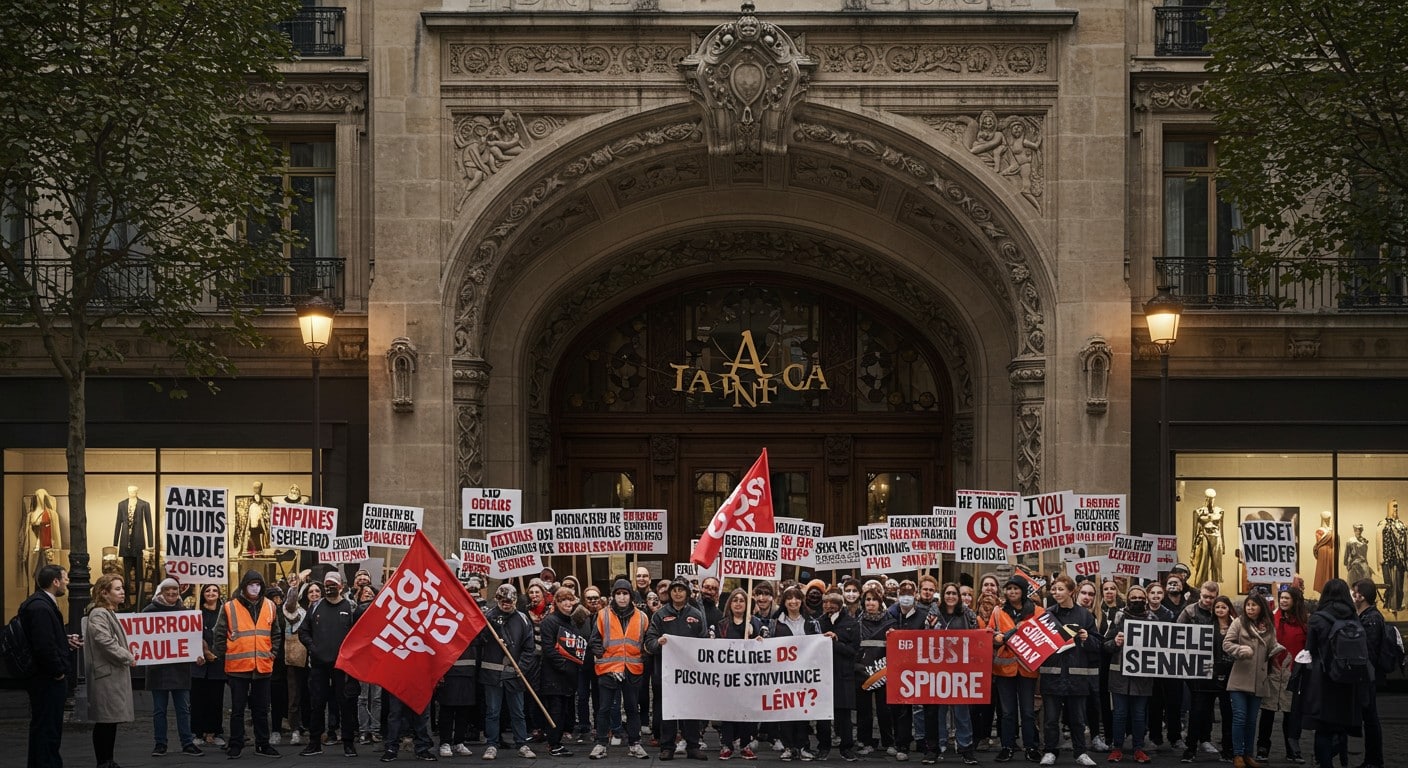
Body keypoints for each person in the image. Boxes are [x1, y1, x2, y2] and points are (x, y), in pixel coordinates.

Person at [1300, 579, 1369, 768]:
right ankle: (1342, 756)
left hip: (1323, 680)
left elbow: (1309, 650)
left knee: (1323, 729)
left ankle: (1325, 764)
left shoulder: (1317, 618)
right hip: (1348, 678)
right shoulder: (1352, 617)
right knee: (1341, 723)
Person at [213, 570, 281, 759]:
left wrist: (272, 654)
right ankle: (236, 743)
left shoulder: (270, 606)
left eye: (258, 584)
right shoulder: (229, 607)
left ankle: (263, 744)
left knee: (261, 710)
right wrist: (224, 658)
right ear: (244, 586)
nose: (255, 588)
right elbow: (219, 636)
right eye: (251, 584)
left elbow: (275, 633)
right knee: (237, 710)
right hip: (238, 667)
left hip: (262, 666)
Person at [1037, 575, 1100, 767]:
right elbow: (1038, 643)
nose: (1056, 593)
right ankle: (1049, 751)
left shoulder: (1085, 616)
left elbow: (1097, 645)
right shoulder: (1047, 615)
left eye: (1060, 589)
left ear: (1071, 591)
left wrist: (1086, 638)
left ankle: (1080, 752)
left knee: (1078, 720)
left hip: (1077, 676)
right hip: (1052, 675)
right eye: (1054, 589)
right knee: (1050, 720)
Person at [23, 564, 80, 768]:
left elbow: (46, 638)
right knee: (47, 728)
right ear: (55, 581)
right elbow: (43, 646)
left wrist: (64, 640)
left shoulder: (40, 604)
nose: (67, 582)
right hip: (46, 680)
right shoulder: (40, 607)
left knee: (45, 728)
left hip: (44, 677)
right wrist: (58, 673)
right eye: (65, 578)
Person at [299, 570, 360, 758]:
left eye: (333, 584)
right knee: (317, 705)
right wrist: (312, 647)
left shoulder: (350, 607)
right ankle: (314, 743)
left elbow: (358, 636)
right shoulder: (316, 606)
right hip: (319, 666)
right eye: (327, 584)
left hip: (342, 667)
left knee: (346, 705)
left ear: (341, 585)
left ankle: (348, 743)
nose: (329, 587)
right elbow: (303, 631)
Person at [589, 579, 650, 760]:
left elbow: (647, 641)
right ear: (613, 596)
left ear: (630, 596)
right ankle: (601, 743)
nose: (622, 597)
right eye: (618, 593)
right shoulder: (602, 615)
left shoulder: (642, 617)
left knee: (632, 708)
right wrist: (598, 650)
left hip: (632, 668)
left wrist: (645, 653)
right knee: (604, 708)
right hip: (608, 668)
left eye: (625, 593)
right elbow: (594, 639)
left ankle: (635, 744)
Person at [1224, 593, 1283, 768]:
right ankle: (1238, 754)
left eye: (1254, 605)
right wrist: (1240, 649)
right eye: (1248, 605)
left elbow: (1272, 644)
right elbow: (1226, 643)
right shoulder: (1239, 622)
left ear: (1261, 607)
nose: (1250, 608)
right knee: (1240, 717)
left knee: (1251, 720)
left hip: (1260, 679)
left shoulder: (1269, 626)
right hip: (1240, 678)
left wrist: (1276, 649)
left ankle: (1249, 754)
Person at [763, 585, 822, 761]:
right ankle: (789, 746)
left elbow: (819, 646)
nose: (793, 601)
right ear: (784, 601)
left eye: (797, 598)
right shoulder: (775, 623)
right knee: (785, 712)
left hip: (805, 676)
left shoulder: (812, 622)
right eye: (789, 598)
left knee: (803, 712)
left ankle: (803, 746)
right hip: (783, 676)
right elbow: (768, 645)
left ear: (801, 601)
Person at [480, 583, 538, 760]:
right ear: (497, 599)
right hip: (492, 673)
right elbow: (478, 641)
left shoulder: (522, 619)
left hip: (515, 672)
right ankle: (491, 744)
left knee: (518, 711)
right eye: (504, 601)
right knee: (493, 711)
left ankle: (522, 743)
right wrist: (487, 635)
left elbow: (530, 648)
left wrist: (522, 667)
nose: (507, 604)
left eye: (510, 601)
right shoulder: (487, 618)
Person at [146, 578, 203, 756]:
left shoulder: (185, 612)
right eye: (167, 589)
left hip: (180, 669)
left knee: (184, 709)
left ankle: (187, 743)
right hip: (158, 670)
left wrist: (197, 654)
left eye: (175, 590)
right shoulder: (148, 612)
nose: (171, 593)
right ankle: (160, 744)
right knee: (159, 710)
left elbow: (192, 639)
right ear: (160, 591)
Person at [85, 573, 137, 768]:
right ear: (104, 593)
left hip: (111, 674)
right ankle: (104, 761)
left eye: (122, 588)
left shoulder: (107, 612)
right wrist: (128, 656)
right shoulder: (99, 613)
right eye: (117, 589)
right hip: (107, 675)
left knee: (110, 721)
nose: (122, 592)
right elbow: (104, 641)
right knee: (106, 721)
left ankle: (108, 760)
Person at [924, 582, 979, 765]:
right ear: (942, 595)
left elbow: (977, 636)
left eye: (954, 593)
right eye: (947, 593)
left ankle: (965, 747)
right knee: (939, 711)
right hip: (938, 669)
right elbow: (925, 636)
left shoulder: (968, 614)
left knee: (961, 710)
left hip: (960, 671)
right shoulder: (933, 614)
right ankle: (938, 747)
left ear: (958, 596)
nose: (950, 596)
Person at [991, 574, 1042, 764]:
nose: (1012, 592)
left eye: (1016, 588)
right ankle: (1007, 747)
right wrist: (996, 639)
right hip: (1004, 670)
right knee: (1007, 712)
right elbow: (990, 635)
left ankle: (1031, 747)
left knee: (1028, 712)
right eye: (1009, 588)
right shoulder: (998, 611)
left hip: (1028, 669)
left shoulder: (1038, 612)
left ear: (1023, 591)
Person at [1104, 584, 1154, 764]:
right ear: (1128, 599)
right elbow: (1105, 645)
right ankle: (1117, 748)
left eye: (1141, 598)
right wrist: (1115, 642)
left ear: (1146, 600)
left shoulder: (1152, 620)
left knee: (1140, 715)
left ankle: (1138, 749)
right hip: (1119, 678)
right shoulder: (1118, 619)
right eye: (1134, 598)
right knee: (1119, 714)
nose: (1138, 600)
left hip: (1143, 679)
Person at [1256, 586, 1307, 764]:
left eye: (1287, 598)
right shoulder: (1272, 618)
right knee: (1267, 712)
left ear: (1295, 600)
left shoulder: (1303, 622)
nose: (1284, 601)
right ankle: (1262, 748)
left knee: (1291, 715)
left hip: (1293, 673)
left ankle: (1292, 748)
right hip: (1272, 671)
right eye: (1282, 597)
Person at [539, 585, 587, 758]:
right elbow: (548, 649)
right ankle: (554, 744)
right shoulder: (549, 622)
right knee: (556, 712)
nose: (567, 603)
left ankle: (557, 742)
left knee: (565, 712)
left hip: (569, 677)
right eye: (563, 600)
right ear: (556, 602)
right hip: (554, 677)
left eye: (570, 599)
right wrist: (566, 666)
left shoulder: (572, 622)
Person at [1178, 581, 1221, 762]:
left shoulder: (1220, 610)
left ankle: (1205, 738)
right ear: (1200, 595)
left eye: (1211, 597)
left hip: (1212, 662)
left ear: (1216, 596)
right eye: (1205, 596)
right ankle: (1192, 743)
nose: (1208, 600)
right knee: (1197, 702)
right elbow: (1177, 633)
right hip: (1193, 663)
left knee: (1209, 702)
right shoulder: (1189, 611)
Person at [855, 588, 895, 757]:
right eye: (867, 599)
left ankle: (888, 742)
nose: (870, 602)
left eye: (874, 599)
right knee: (863, 710)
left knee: (884, 709)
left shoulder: (891, 623)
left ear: (880, 602)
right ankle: (865, 741)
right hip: (862, 670)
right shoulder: (856, 623)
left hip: (884, 670)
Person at [1351, 579, 1386, 768]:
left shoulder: (1371, 618)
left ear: (1361, 596)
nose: (1352, 595)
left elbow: (1368, 649)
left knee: (1371, 717)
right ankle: (1371, 759)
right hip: (1365, 674)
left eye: (1354, 592)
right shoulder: (1364, 615)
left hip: (1367, 674)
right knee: (1369, 716)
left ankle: (1374, 760)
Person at [192, 584, 229, 748]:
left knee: (215, 699)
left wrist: (215, 652)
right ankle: (198, 732)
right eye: (207, 590)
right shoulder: (195, 612)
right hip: (198, 663)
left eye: (214, 590)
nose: (211, 593)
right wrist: (201, 650)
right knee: (198, 699)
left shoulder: (225, 612)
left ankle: (214, 732)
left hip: (218, 662)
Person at [279, 582, 311, 747]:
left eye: (316, 591)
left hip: (315, 658)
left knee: (314, 696)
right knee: (294, 696)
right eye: (310, 591)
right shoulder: (294, 609)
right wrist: (297, 583)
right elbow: (290, 604)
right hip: (296, 657)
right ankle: (295, 730)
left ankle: (314, 728)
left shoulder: (321, 609)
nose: (313, 594)